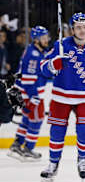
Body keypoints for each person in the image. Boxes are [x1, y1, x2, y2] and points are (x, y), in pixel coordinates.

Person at [39, 13, 85, 182]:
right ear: (72, 29)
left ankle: (82, 160)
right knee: (56, 131)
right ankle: (53, 164)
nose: (82, 31)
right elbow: (42, 68)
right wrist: (53, 64)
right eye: (78, 27)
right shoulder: (60, 45)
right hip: (61, 96)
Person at [8, 26, 50, 161]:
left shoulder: (38, 51)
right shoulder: (33, 55)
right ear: (36, 40)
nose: (46, 40)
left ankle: (17, 143)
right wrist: (34, 96)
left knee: (27, 118)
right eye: (43, 38)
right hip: (32, 93)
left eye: (46, 37)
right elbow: (28, 79)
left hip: (29, 93)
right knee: (36, 119)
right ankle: (28, 148)